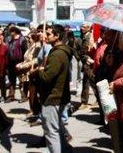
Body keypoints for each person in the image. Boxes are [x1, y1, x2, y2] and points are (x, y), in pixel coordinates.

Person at [29, 24, 72, 153]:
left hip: (53, 98)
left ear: (57, 36)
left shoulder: (57, 54)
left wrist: (38, 71)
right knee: (57, 130)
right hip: (58, 97)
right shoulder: (60, 51)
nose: (45, 36)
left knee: (51, 133)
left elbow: (47, 77)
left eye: (48, 34)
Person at [6, 26, 28, 102]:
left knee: (21, 80)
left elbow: (25, 51)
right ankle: (11, 96)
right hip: (10, 63)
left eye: (11, 31)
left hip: (19, 62)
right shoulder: (9, 39)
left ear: (15, 32)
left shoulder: (22, 39)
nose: (10, 33)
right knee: (11, 80)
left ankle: (24, 96)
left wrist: (24, 63)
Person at [79, 22, 95, 109]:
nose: (82, 28)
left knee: (91, 81)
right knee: (86, 81)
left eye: (84, 27)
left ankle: (86, 101)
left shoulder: (90, 37)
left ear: (89, 28)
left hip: (89, 62)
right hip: (86, 62)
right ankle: (84, 101)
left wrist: (85, 58)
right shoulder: (84, 36)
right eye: (82, 26)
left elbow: (86, 51)